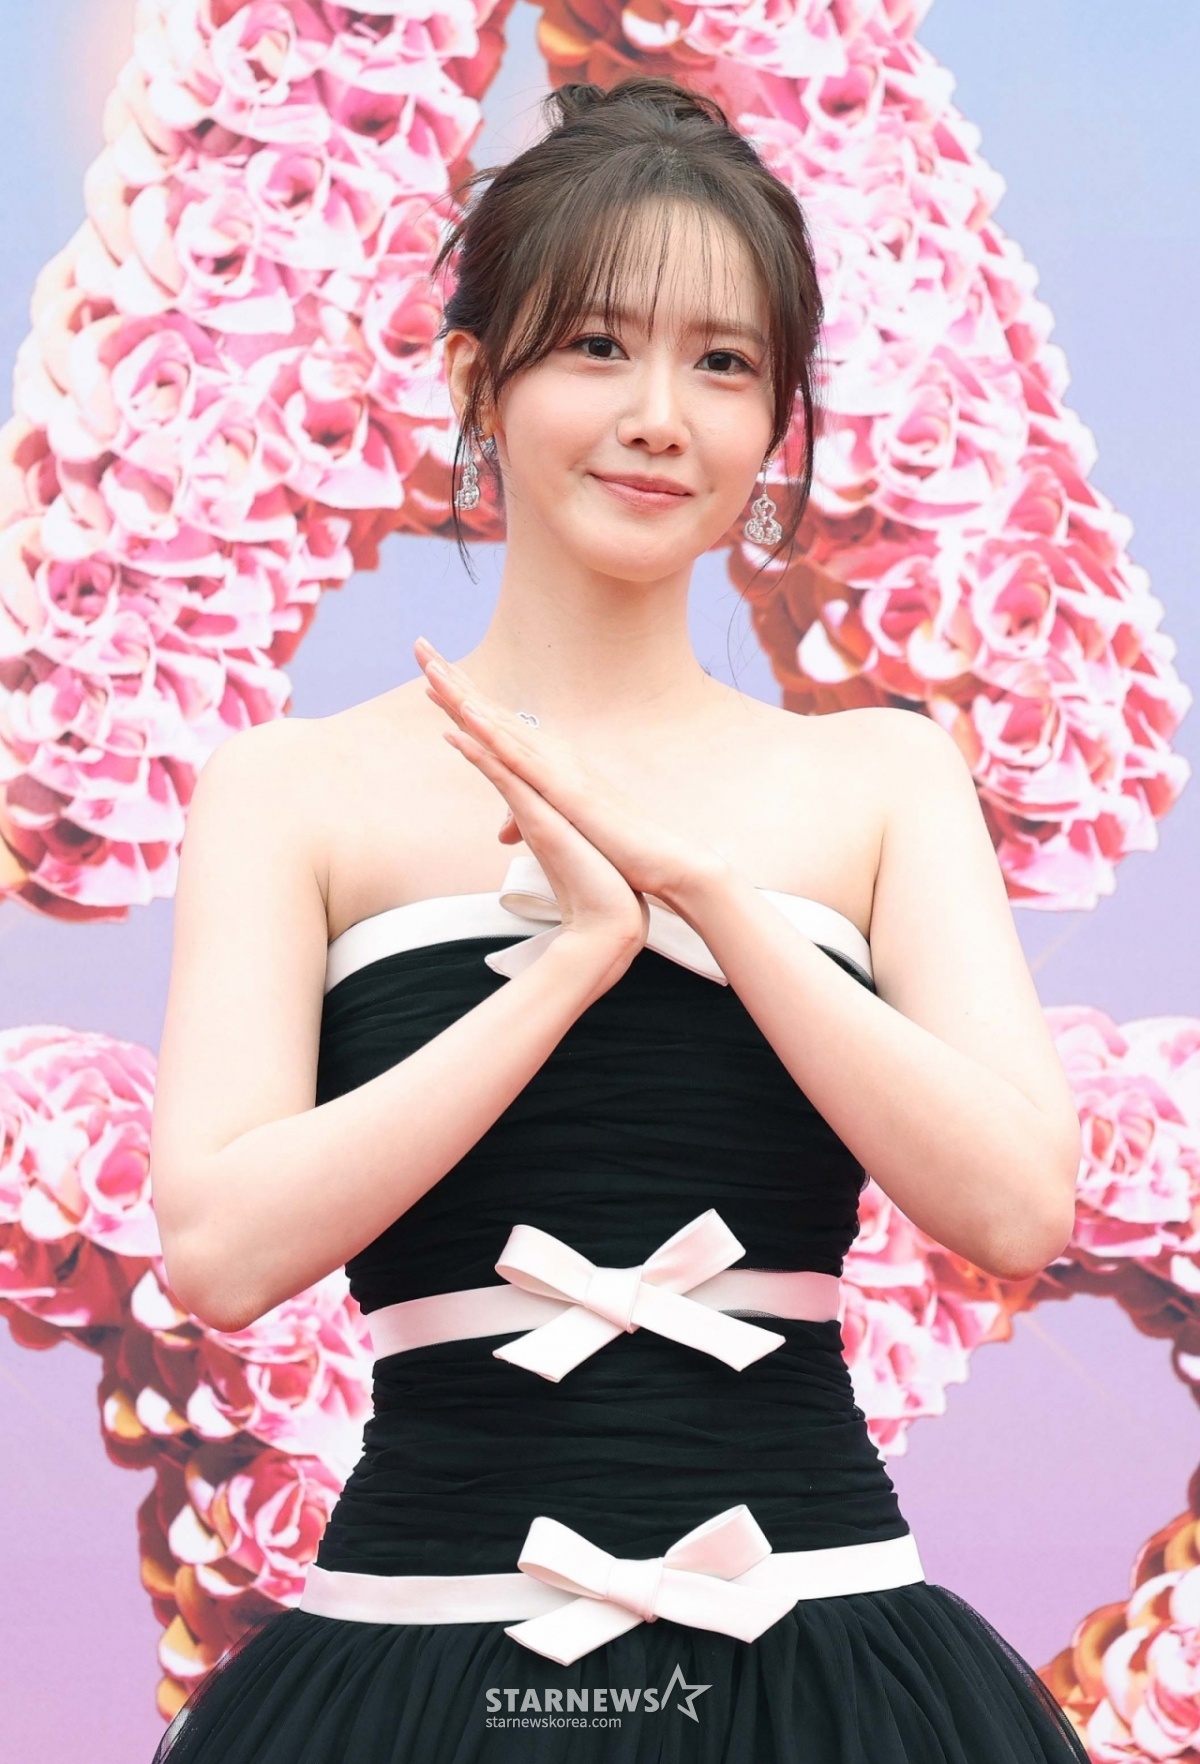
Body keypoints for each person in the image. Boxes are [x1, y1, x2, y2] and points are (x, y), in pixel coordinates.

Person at [148, 76, 1088, 1764]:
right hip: (417, 1664)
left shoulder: (879, 777)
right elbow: (219, 1253)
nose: (660, 416)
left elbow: (1014, 1206)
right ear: (476, 382)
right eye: (596, 346)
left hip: (822, 1663)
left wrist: (714, 899)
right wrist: (566, 964)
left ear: (777, 423)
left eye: (723, 364)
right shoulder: (291, 791)